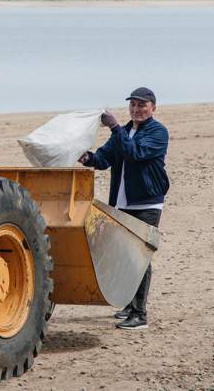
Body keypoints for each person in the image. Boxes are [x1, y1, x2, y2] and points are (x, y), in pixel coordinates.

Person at [77, 87, 169, 330]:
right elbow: (105, 159)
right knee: (125, 256)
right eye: (133, 106)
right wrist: (89, 158)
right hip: (122, 203)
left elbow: (134, 153)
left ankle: (140, 315)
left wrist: (115, 127)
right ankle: (129, 306)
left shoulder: (158, 132)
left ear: (153, 108)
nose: (137, 110)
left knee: (139, 256)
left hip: (147, 202)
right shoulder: (126, 131)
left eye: (142, 105)